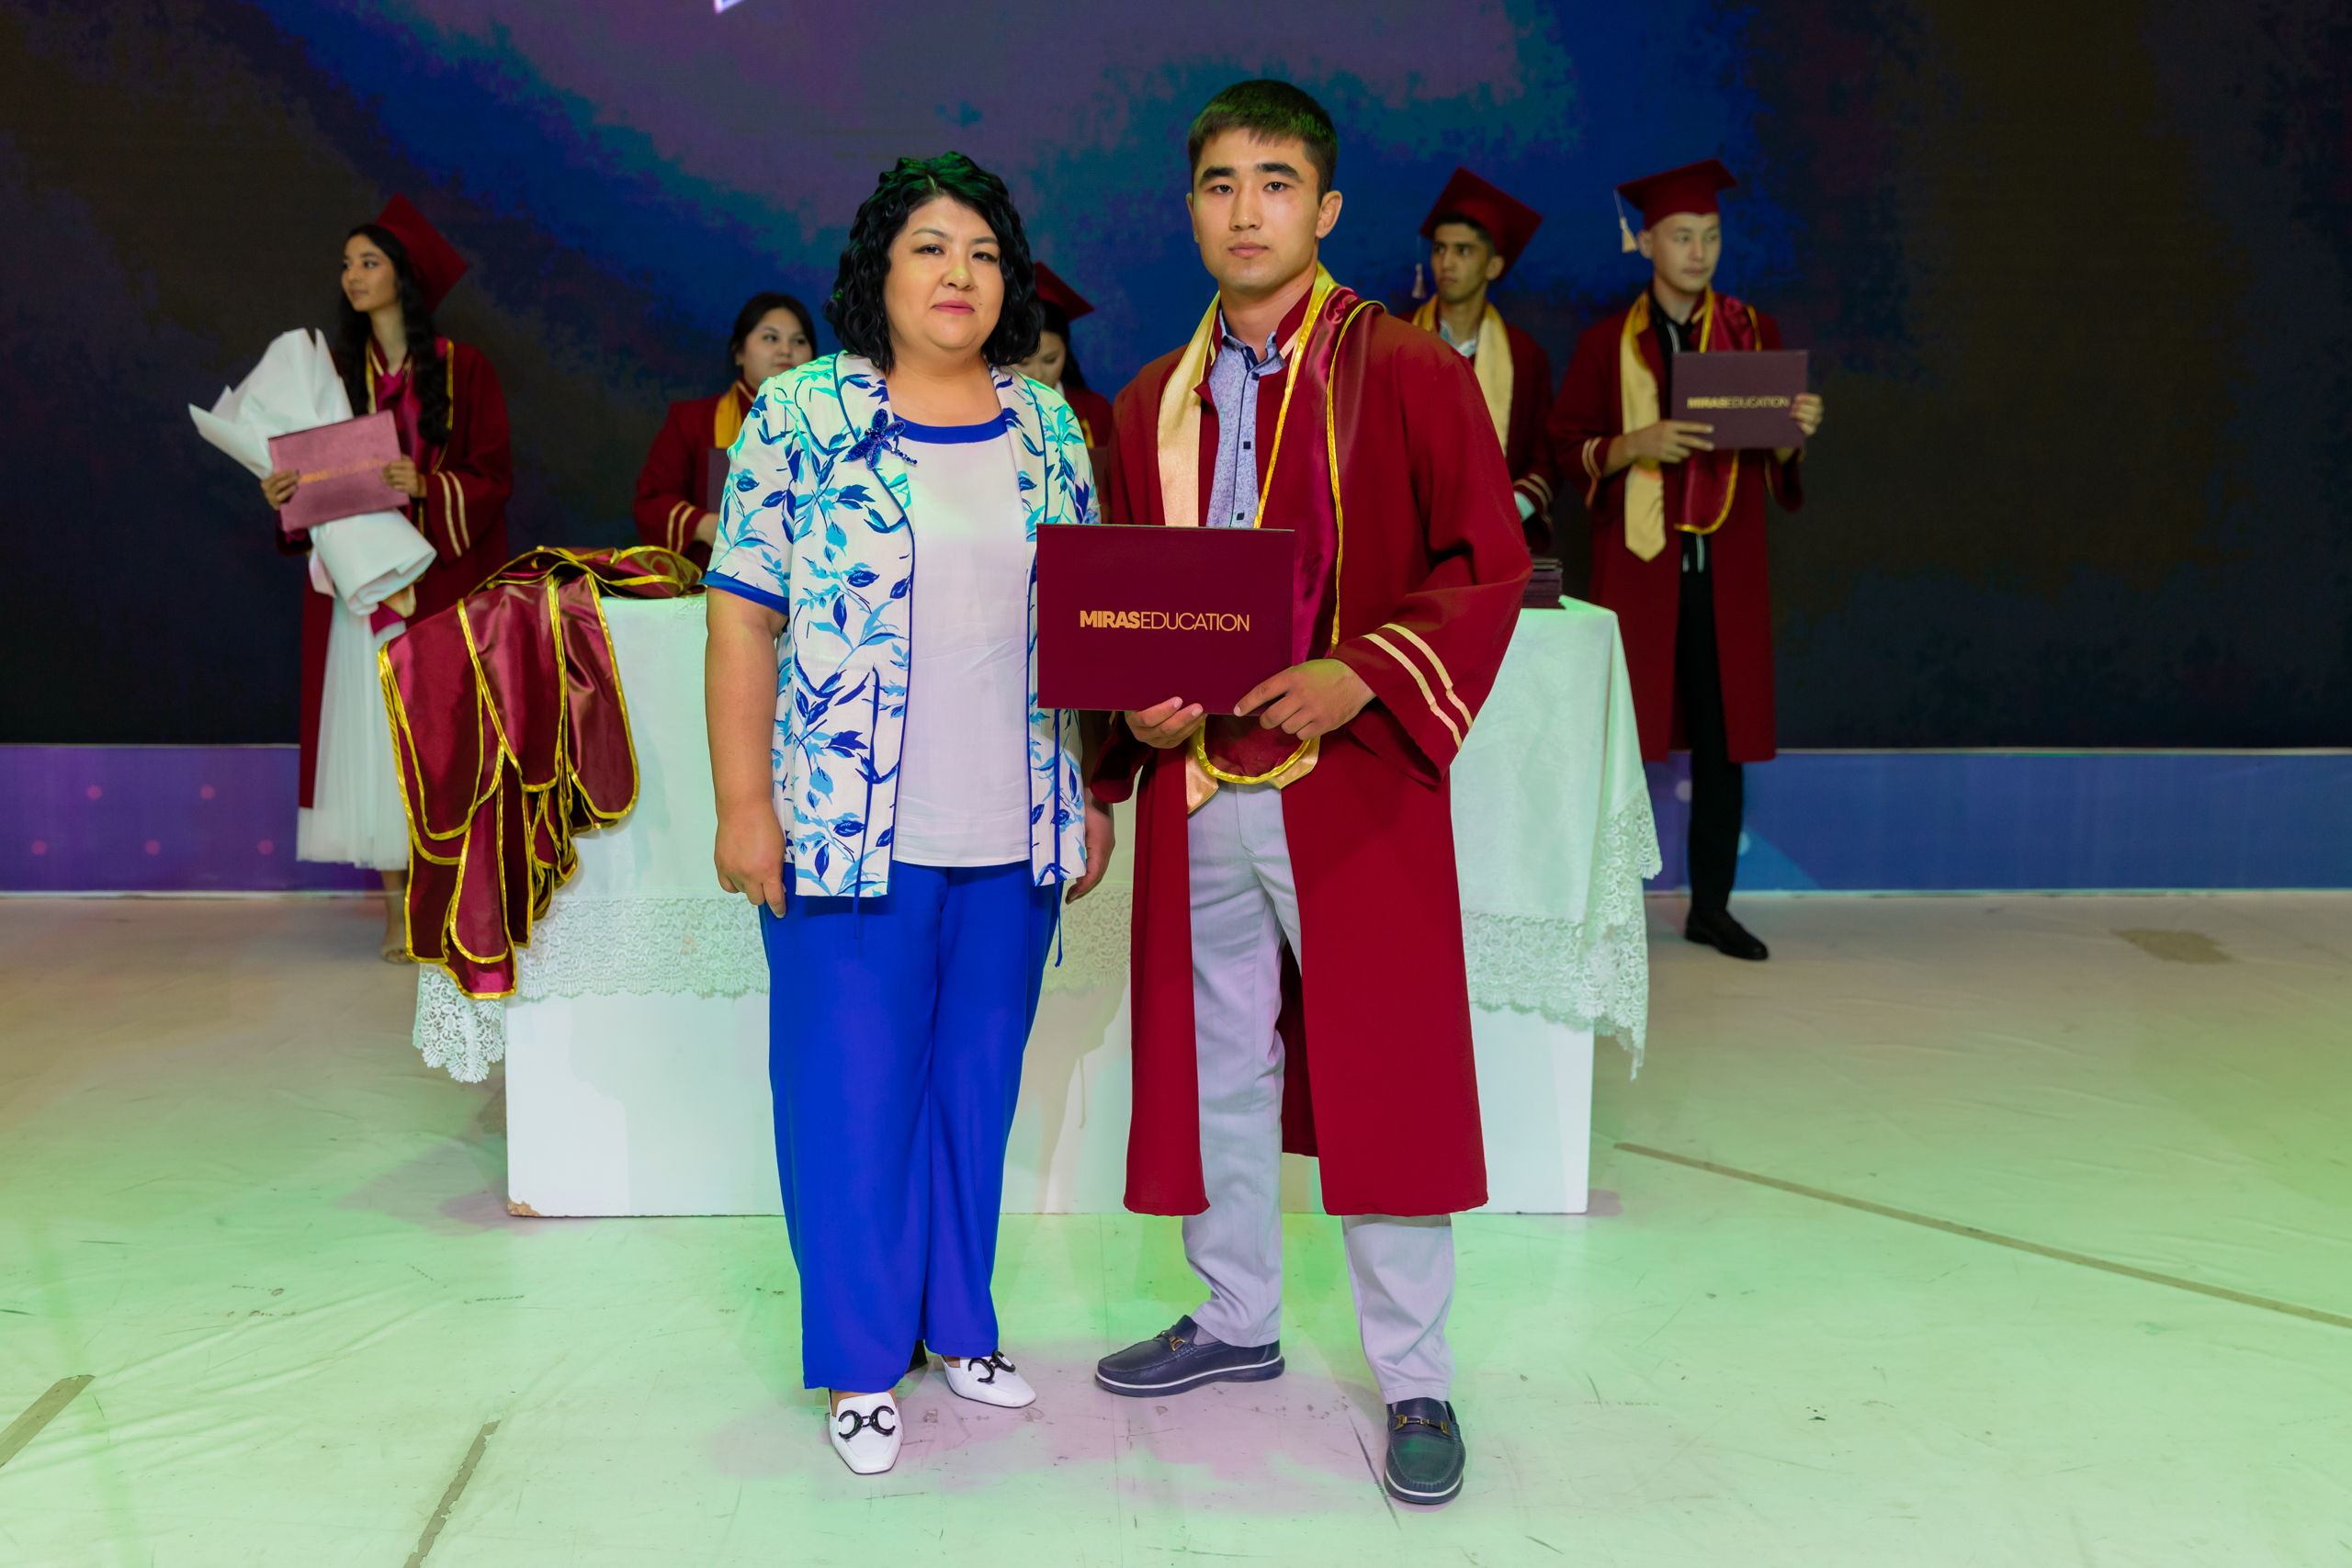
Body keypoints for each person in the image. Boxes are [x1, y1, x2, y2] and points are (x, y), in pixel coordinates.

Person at [1086, 80, 1529, 1508]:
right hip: (1198, 782)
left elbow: (1484, 564)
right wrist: (1131, 707)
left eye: (1275, 183)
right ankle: (1236, 1312)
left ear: (1325, 209)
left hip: (1353, 775)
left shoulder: (1406, 370)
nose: (1247, 210)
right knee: (1219, 1055)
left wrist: (1365, 671)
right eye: (1220, 184)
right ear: (1191, 209)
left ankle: (1417, 1373)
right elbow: (1124, 594)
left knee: (1382, 1061)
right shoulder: (1149, 400)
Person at [702, 152, 1110, 1477]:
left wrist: (1088, 788)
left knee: (974, 1093)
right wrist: (745, 804)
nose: (959, 274)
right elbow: (741, 616)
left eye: (985, 253)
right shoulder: (803, 413)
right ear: (878, 270)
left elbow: (1090, 625)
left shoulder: (1048, 427)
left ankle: (959, 1326)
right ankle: (861, 1359)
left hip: (1015, 824)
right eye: (930, 247)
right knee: (850, 1100)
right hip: (841, 826)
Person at [1548, 159, 1825, 961]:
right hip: (1642, 570)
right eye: (1680, 235)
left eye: (1709, 235)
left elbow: (1774, 454)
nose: (1698, 251)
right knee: (1618, 744)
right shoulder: (1608, 343)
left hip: (1723, 568)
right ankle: (1603, 912)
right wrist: (1636, 442)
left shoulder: (1751, 331)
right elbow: (1568, 447)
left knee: (1722, 740)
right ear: (1646, 243)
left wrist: (1794, 433)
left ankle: (1711, 908)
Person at [260, 195, 513, 962]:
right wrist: (286, 493)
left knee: (438, 738)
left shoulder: (464, 370)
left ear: (404, 275)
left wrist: (428, 484)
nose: (352, 275)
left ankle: (452, 902)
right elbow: (312, 487)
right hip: (357, 590)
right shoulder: (334, 377)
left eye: (369, 262)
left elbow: (494, 475)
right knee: (373, 745)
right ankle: (396, 911)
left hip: (436, 581)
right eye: (346, 264)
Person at [1408, 168, 1559, 552]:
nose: (1446, 262)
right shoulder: (1396, 339)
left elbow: (1545, 459)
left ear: (1493, 267)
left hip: (1497, 538)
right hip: (1409, 531)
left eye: (1463, 251)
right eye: (1439, 249)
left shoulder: (1524, 356)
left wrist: (1506, 510)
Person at [632, 292, 818, 568]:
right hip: (713, 578)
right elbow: (650, 504)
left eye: (799, 341)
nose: (785, 351)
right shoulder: (693, 420)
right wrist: (706, 525)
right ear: (739, 353)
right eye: (770, 338)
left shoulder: (833, 428)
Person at [1012, 263, 1116, 491]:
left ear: (1065, 351)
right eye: (1023, 362)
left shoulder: (1095, 411)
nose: (1037, 375)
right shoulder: (987, 413)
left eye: (1050, 360)